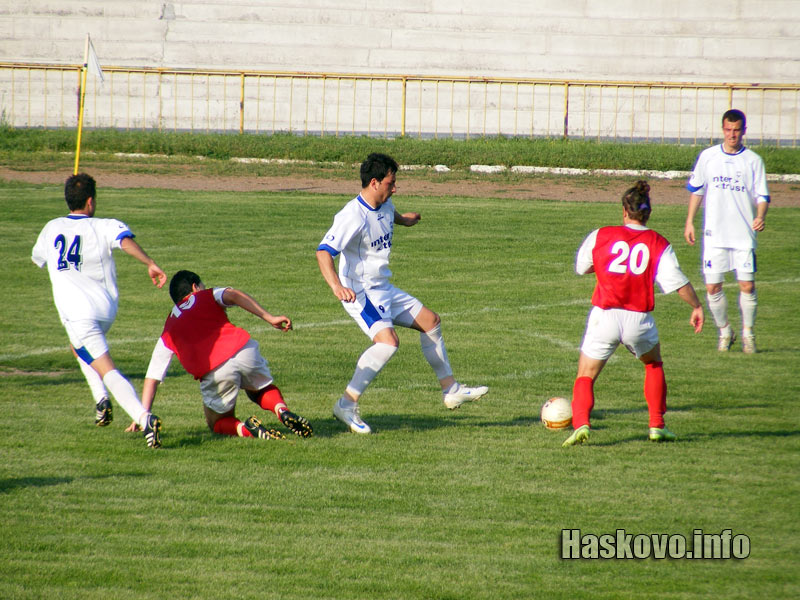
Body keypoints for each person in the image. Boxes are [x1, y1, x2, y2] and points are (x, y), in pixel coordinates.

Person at [316, 152, 488, 434]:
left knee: (431, 322)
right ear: (374, 183)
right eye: (390, 183)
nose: (395, 188)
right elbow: (324, 252)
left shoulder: (384, 203)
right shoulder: (352, 216)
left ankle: (451, 390)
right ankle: (346, 404)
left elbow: (387, 216)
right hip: (360, 292)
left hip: (383, 287)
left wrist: (404, 220)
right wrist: (337, 287)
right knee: (388, 342)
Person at [562, 181, 705, 447]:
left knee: (586, 374)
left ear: (624, 211)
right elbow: (677, 282)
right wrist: (696, 306)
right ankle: (656, 425)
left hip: (605, 316)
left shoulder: (601, 234)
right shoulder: (658, 242)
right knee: (653, 364)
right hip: (639, 320)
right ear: (648, 213)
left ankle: (581, 423)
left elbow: (582, 267)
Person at [32, 172, 166, 448]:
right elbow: (125, 241)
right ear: (90, 201)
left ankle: (144, 419)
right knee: (77, 346)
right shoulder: (105, 225)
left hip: (78, 313)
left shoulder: (51, 228)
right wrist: (150, 263)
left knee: (107, 369)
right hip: (105, 309)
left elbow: (39, 259)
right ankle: (101, 401)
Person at [130, 270, 313, 440]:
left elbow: (152, 377)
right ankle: (281, 410)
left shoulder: (168, 328)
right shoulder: (206, 295)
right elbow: (234, 295)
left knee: (216, 421)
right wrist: (270, 318)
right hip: (244, 350)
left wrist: (142, 415)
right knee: (258, 389)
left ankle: (247, 429)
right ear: (195, 287)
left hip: (215, 370)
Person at [685, 109, 770, 354]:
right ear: (723, 130)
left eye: (736, 130)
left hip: (743, 234)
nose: (732, 134)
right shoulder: (708, 157)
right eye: (728, 130)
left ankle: (748, 334)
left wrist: (760, 216)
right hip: (715, 235)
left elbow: (762, 195)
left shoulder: (753, 161)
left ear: (744, 131)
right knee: (713, 287)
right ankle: (725, 331)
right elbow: (697, 190)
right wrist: (689, 221)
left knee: (747, 285)